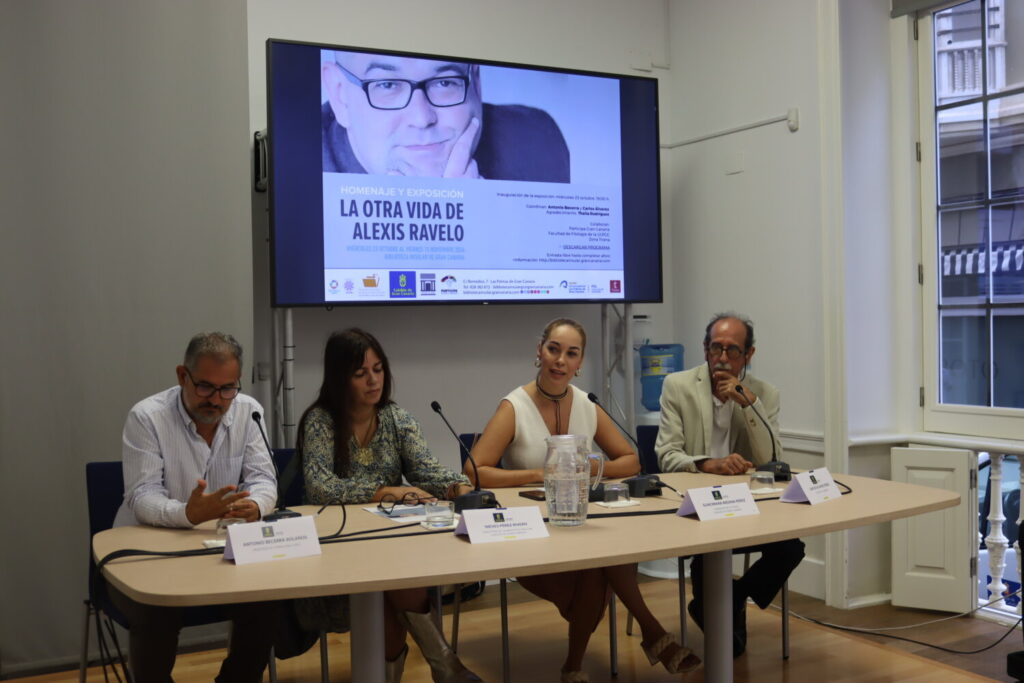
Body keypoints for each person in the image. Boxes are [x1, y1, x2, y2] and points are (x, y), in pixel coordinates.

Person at [468, 318, 700, 683]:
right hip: (533, 536)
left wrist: (593, 465)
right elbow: (474, 471)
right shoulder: (514, 406)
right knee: (603, 561)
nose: (560, 360)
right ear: (539, 353)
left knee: (599, 557)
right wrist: (539, 473)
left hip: (581, 525)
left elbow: (631, 461)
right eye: (553, 350)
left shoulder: (587, 404)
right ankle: (649, 635)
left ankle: (575, 667)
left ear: (579, 363)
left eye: (571, 354)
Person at [298, 328, 481, 683]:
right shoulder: (320, 421)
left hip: (389, 544)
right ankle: (446, 666)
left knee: (392, 582)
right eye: (360, 373)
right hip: (336, 551)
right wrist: (384, 492)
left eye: (378, 369)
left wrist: (456, 486)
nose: (373, 380)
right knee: (392, 582)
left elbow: (424, 468)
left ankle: (437, 669)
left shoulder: (396, 418)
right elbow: (320, 487)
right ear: (339, 377)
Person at [110, 332, 278, 682]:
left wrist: (256, 507)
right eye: (205, 387)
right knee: (156, 611)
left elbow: (264, 480)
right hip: (149, 554)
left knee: (268, 601)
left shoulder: (250, 412)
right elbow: (142, 496)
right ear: (181, 376)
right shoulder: (147, 417)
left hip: (219, 552)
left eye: (227, 389)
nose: (216, 400)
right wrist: (187, 514)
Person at [655, 312, 805, 658]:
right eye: (715, 348)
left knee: (791, 548)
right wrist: (709, 464)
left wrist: (748, 404)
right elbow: (666, 455)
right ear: (705, 348)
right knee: (711, 549)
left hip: (748, 504)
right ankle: (719, 610)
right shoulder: (677, 386)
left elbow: (772, 458)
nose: (722, 358)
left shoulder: (765, 393)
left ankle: (732, 599)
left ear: (749, 355)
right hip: (696, 503)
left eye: (732, 351)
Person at [322, 50, 570, 181]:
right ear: (340, 95)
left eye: (444, 82)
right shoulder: (292, 184)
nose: (421, 118)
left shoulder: (536, 142)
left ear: (476, 82)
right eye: (387, 85)